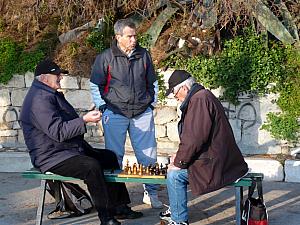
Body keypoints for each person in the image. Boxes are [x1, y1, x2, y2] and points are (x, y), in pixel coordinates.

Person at [19, 59, 143, 225]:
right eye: (56, 74)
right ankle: (106, 218)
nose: (60, 77)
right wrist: (84, 119)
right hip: (51, 157)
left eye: (60, 73)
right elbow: (59, 132)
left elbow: (65, 123)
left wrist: (85, 117)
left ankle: (119, 206)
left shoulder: (48, 94)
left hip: (66, 149)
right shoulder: (39, 100)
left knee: (109, 158)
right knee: (91, 167)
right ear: (43, 78)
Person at [159, 70, 249, 225]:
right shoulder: (201, 96)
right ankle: (175, 210)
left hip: (218, 165)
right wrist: (179, 156)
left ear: (184, 88)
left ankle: (178, 219)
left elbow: (195, 139)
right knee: (175, 167)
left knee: (175, 176)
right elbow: (195, 138)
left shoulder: (199, 100)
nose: (174, 96)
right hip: (219, 159)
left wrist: (179, 162)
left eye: (174, 92)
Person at [90, 18, 162, 208]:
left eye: (135, 35)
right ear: (118, 37)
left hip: (141, 112)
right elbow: (94, 85)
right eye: (129, 36)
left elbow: (152, 83)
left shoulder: (144, 55)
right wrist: (103, 107)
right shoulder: (105, 57)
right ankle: (116, 200)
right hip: (114, 112)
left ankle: (151, 192)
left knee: (148, 156)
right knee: (114, 157)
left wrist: (150, 105)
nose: (134, 40)